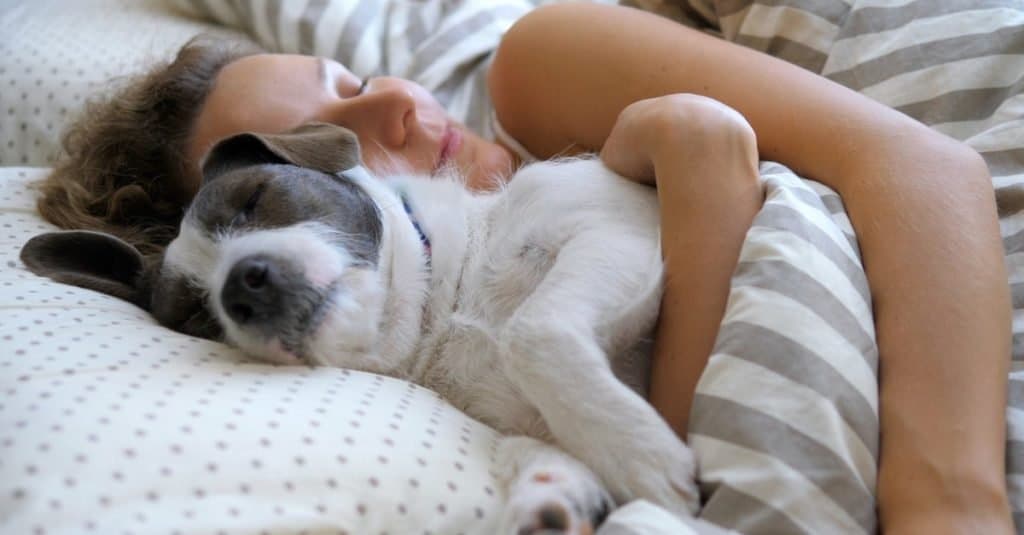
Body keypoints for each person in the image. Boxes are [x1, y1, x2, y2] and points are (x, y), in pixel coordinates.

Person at [36, 3, 1011, 533]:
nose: (402, 114)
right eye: (329, 139)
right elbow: (675, 450)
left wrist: (948, 506)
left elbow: (918, 164)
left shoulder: (533, 65)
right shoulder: (437, 352)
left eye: (357, 87)